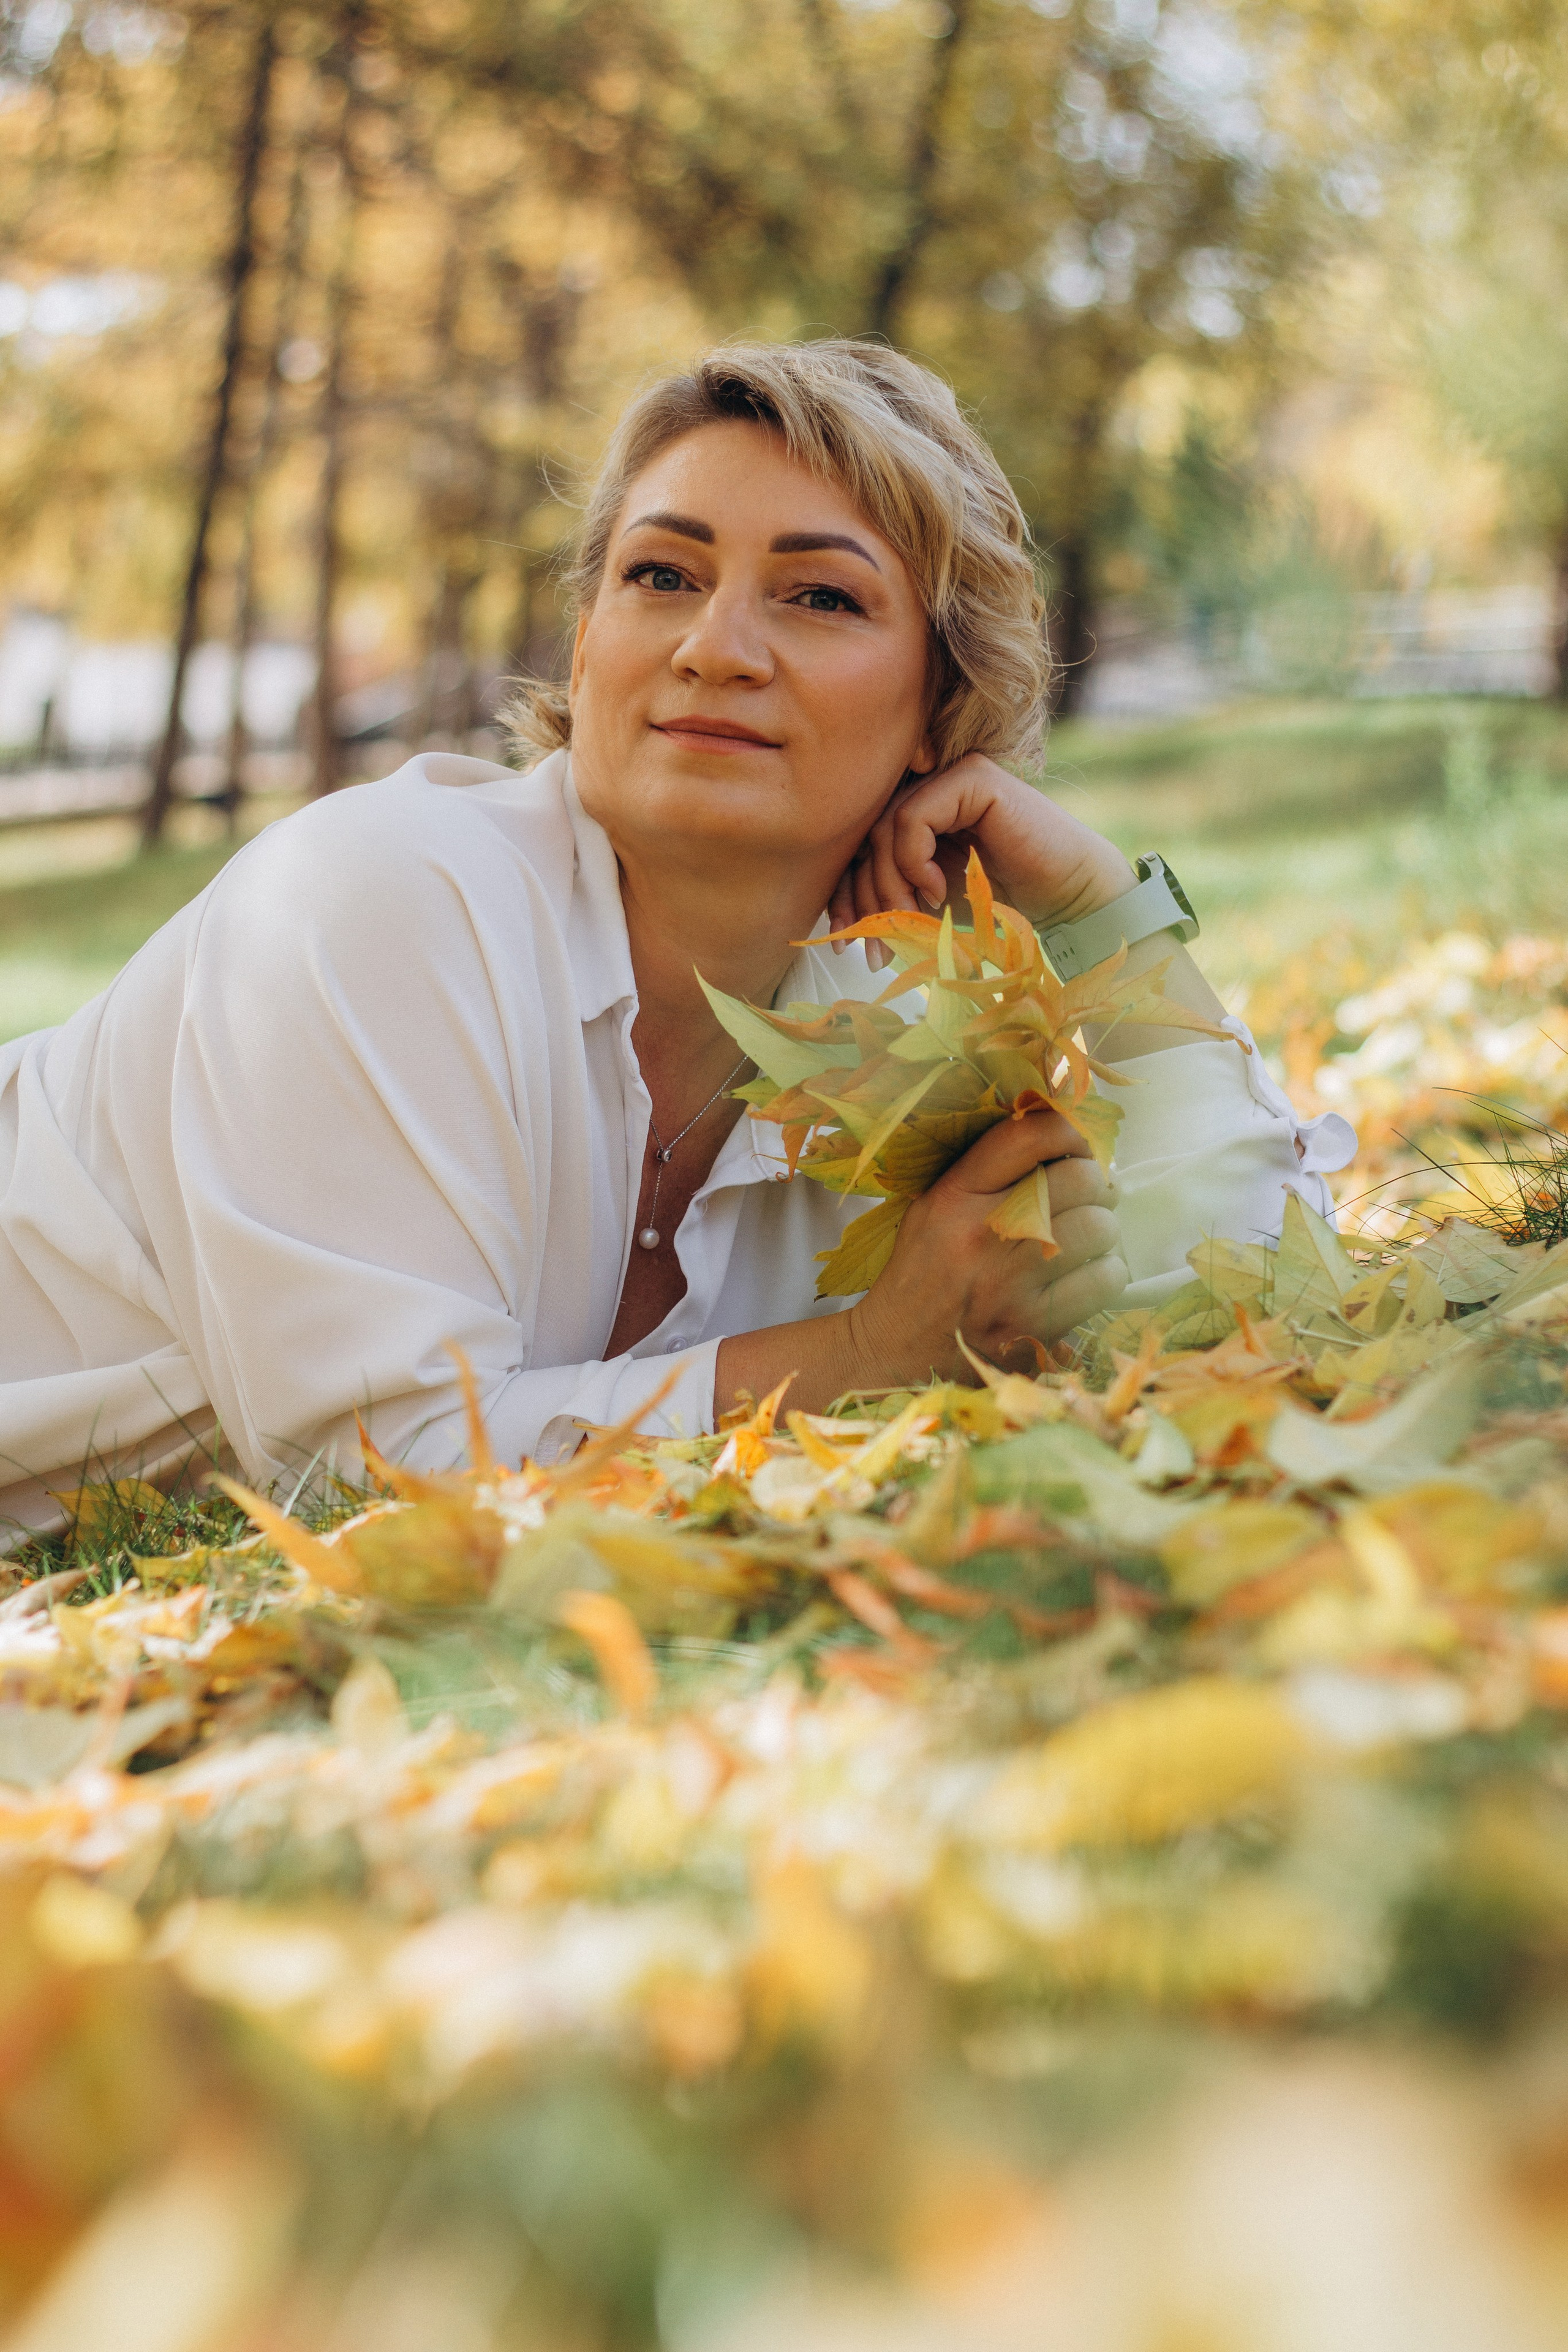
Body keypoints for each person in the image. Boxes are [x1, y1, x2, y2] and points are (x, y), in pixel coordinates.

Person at [0, 341, 1354, 1542]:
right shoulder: (378, 898)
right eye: (663, 575)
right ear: (587, 644)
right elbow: (366, 1486)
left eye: (817, 597)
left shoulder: (902, 1019)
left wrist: (1106, 920)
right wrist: (871, 1349)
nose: (716, 646)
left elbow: (1263, 1302)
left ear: (946, 706)